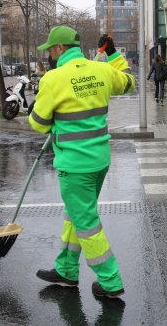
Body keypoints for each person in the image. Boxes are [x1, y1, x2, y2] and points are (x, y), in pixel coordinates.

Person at [29, 25, 135, 299]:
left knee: (86, 222)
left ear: (60, 48)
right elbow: (128, 81)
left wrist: (47, 115)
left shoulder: (53, 79)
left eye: (51, 50)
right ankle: (66, 269)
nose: (50, 55)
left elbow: (38, 124)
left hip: (75, 166)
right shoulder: (101, 70)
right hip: (100, 161)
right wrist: (112, 54)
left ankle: (110, 281)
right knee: (76, 215)